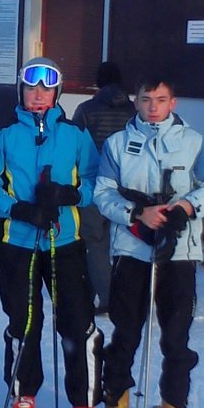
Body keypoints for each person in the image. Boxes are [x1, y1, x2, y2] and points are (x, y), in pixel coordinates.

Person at [0, 57, 103, 408]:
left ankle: (83, 400)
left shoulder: (75, 134)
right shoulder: (3, 133)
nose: (39, 95)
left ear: (57, 93)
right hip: (16, 243)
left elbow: (97, 181)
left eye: (47, 89)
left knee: (76, 322)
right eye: (32, 88)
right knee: (24, 321)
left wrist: (70, 194)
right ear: (22, 91)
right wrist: (18, 209)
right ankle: (24, 392)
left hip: (64, 242)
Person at [94, 77, 204, 408]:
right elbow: (103, 193)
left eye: (161, 99)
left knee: (176, 335)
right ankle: (116, 401)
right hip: (132, 249)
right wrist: (136, 213)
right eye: (146, 99)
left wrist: (187, 205)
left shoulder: (192, 142)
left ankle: (174, 405)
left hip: (179, 251)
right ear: (136, 102)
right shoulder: (118, 144)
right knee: (126, 331)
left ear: (172, 103)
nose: (153, 107)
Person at [72, 61, 136, 313]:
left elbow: (75, 146)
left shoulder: (86, 109)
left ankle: (108, 298)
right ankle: (128, 296)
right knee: (125, 245)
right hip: (127, 188)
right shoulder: (134, 110)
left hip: (95, 184)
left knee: (94, 243)